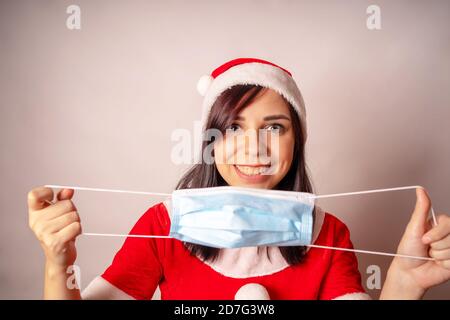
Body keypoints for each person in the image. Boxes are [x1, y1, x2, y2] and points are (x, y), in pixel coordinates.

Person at [27, 58, 450, 299]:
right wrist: (57, 264)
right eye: (233, 128)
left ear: (297, 141)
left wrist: (402, 284)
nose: (254, 149)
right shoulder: (163, 226)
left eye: (274, 128)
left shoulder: (329, 235)